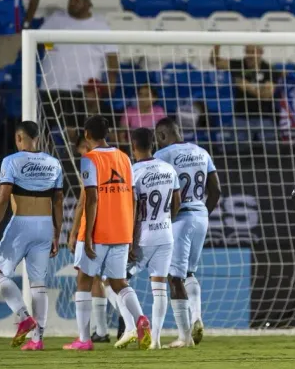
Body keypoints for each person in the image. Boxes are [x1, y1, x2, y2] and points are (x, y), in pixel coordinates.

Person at [64, 115, 151, 351]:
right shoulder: (124, 158)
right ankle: (142, 319)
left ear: (87, 134)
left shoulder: (89, 159)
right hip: (121, 231)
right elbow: (133, 198)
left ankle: (84, 339)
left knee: (83, 280)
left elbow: (90, 198)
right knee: (118, 282)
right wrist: (130, 235)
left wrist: (86, 234)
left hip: (98, 231)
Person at [0, 121, 63, 350]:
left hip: (21, 224)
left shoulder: (11, 161)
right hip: (45, 226)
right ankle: (37, 340)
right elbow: (58, 201)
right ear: (37, 137)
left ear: (19, 138)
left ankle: (24, 316)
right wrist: (56, 234)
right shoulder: (54, 163)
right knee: (39, 284)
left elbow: (2, 198)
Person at [154, 117, 221, 347]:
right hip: (201, 216)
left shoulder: (163, 156)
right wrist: (202, 212)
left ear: (162, 136)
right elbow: (216, 190)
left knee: (174, 277)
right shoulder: (202, 152)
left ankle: (184, 337)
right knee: (189, 273)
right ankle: (197, 317)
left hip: (179, 218)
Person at [129, 128, 181, 350]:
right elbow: (177, 200)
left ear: (133, 146)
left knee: (113, 280)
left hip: (143, 235)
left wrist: (131, 238)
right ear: (153, 144)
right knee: (159, 286)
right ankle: (156, 340)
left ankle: (138, 324)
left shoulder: (134, 171)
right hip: (165, 232)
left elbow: (131, 206)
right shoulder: (169, 169)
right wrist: (168, 220)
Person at [39, 0, 119, 129]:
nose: (72, 3)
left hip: (82, 90)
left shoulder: (100, 27)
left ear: (88, 4)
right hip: (51, 87)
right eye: (71, 0)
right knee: (48, 133)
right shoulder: (55, 21)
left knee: (79, 135)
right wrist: (52, 48)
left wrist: (112, 82)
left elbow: (112, 55)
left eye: (77, 0)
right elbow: (39, 41)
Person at [68, 133, 118, 344]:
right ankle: (103, 330)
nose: (80, 153)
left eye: (80, 148)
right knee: (104, 279)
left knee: (88, 278)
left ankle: (130, 321)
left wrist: (73, 232)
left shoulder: (90, 165)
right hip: (115, 227)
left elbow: (83, 203)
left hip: (94, 230)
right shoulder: (115, 162)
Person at [209, 44, 278, 140]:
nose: (249, 55)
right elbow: (215, 62)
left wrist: (248, 87)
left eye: (252, 52)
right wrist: (217, 44)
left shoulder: (269, 69)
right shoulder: (238, 65)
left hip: (264, 117)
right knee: (239, 148)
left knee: (269, 147)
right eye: (247, 52)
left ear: (260, 53)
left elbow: (266, 95)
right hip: (241, 116)